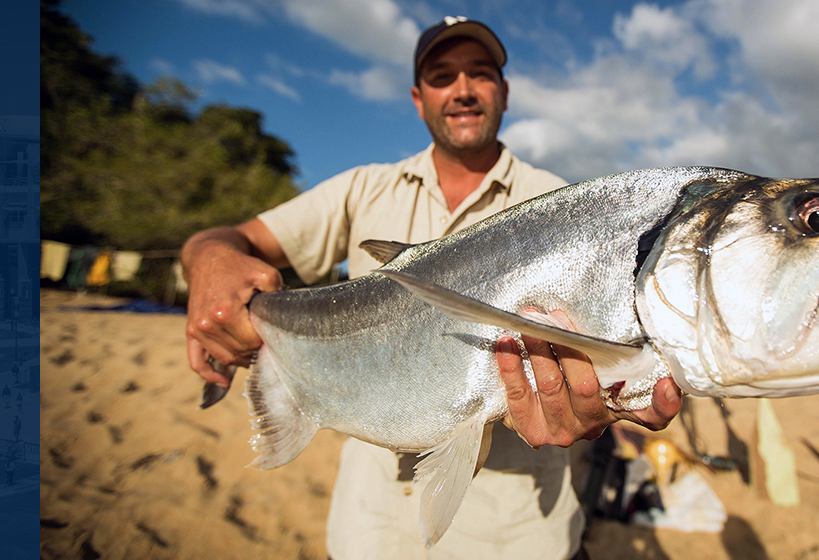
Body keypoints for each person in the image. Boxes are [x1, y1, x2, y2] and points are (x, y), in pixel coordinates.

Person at [181, 17, 682, 560]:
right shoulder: (362, 188)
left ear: (504, 93)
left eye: (480, 74)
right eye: (443, 76)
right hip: (364, 535)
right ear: (419, 99)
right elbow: (232, 240)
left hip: (517, 540)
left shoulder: (561, 207)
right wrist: (208, 260)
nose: (463, 89)